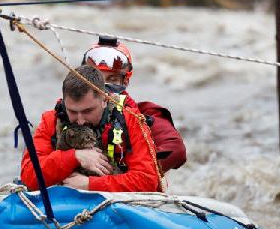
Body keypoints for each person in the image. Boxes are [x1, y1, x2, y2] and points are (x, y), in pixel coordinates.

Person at [20, 64, 161, 193]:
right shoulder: (51, 120)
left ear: (105, 100)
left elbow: (148, 180)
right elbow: (29, 177)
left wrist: (90, 184)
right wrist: (73, 157)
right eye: (73, 112)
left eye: (88, 111)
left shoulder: (130, 120)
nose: (80, 121)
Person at [81, 36, 187, 173]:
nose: (103, 87)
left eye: (112, 79)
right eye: (97, 79)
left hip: (126, 185)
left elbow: (176, 150)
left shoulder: (145, 114)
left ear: (124, 82)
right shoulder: (70, 111)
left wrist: (136, 172)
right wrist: (73, 157)